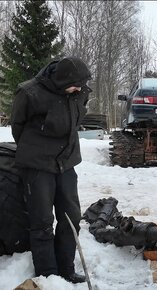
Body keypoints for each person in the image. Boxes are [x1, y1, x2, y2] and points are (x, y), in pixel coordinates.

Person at [10, 57, 92, 284]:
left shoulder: (79, 91)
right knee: (42, 220)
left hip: (67, 162)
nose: (81, 89)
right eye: (76, 84)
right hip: (37, 164)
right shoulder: (29, 93)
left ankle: (66, 269)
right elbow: (17, 126)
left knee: (71, 217)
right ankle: (48, 276)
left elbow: (76, 119)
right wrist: (36, 149)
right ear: (62, 80)